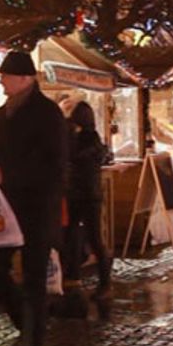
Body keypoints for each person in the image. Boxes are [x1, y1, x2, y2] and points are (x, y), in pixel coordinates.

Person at [0, 51, 68, 346]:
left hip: (36, 210)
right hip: (3, 211)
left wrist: (9, 174)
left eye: (6, 76)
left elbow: (55, 165)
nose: (1, 81)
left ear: (25, 78)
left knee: (33, 281)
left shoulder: (48, 114)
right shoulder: (2, 114)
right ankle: (27, 330)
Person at [61, 100, 112, 304]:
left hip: (83, 195)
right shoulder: (91, 138)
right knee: (78, 235)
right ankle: (77, 277)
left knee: (89, 237)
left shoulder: (84, 139)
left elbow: (73, 158)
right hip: (86, 195)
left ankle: (101, 283)